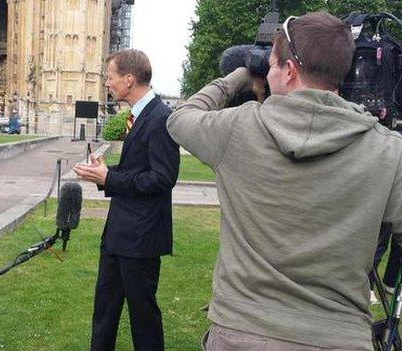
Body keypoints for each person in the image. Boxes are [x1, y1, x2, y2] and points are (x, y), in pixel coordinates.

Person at [167, 11, 402, 351]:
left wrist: (240, 75)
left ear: (289, 71)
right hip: (339, 337)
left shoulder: (238, 128)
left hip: (242, 332)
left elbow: (181, 118)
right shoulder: (388, 151)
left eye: (272, 66)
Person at [74, 49, 180, 351]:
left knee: (143, 316)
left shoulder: (160, 118)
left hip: (142, 239)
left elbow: (162, 178)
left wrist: (110, 179)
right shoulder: (136, 116)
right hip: (118, 234)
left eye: (111, 77)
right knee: (104, 311)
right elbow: (137, 172)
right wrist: (103, 172)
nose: (108, 83)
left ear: (129, 79)